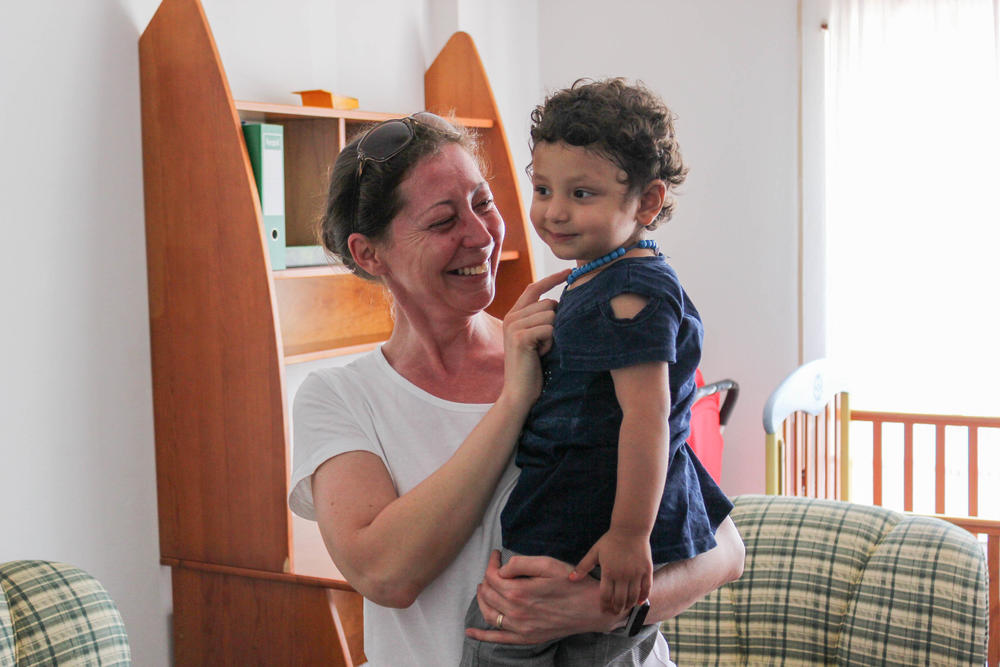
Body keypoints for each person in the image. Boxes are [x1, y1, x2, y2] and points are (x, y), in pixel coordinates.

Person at [288, 109, 744, 667]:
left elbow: (724, 551)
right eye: (442, 221)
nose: (481, 236)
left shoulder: (576, 346)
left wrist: (604, 608)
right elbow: (386, 574)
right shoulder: (340, 398)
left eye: (484, 203)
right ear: (369, 254)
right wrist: (514, 400)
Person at [461, 78, 735, 665]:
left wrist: (631, 535)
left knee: (506, 639)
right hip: (578, 515)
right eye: (542, 188)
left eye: (581, 193)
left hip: (588, 524)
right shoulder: (603, 273)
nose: (553, 212)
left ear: (647, 202)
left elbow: (646, 418)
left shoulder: (628, 290)